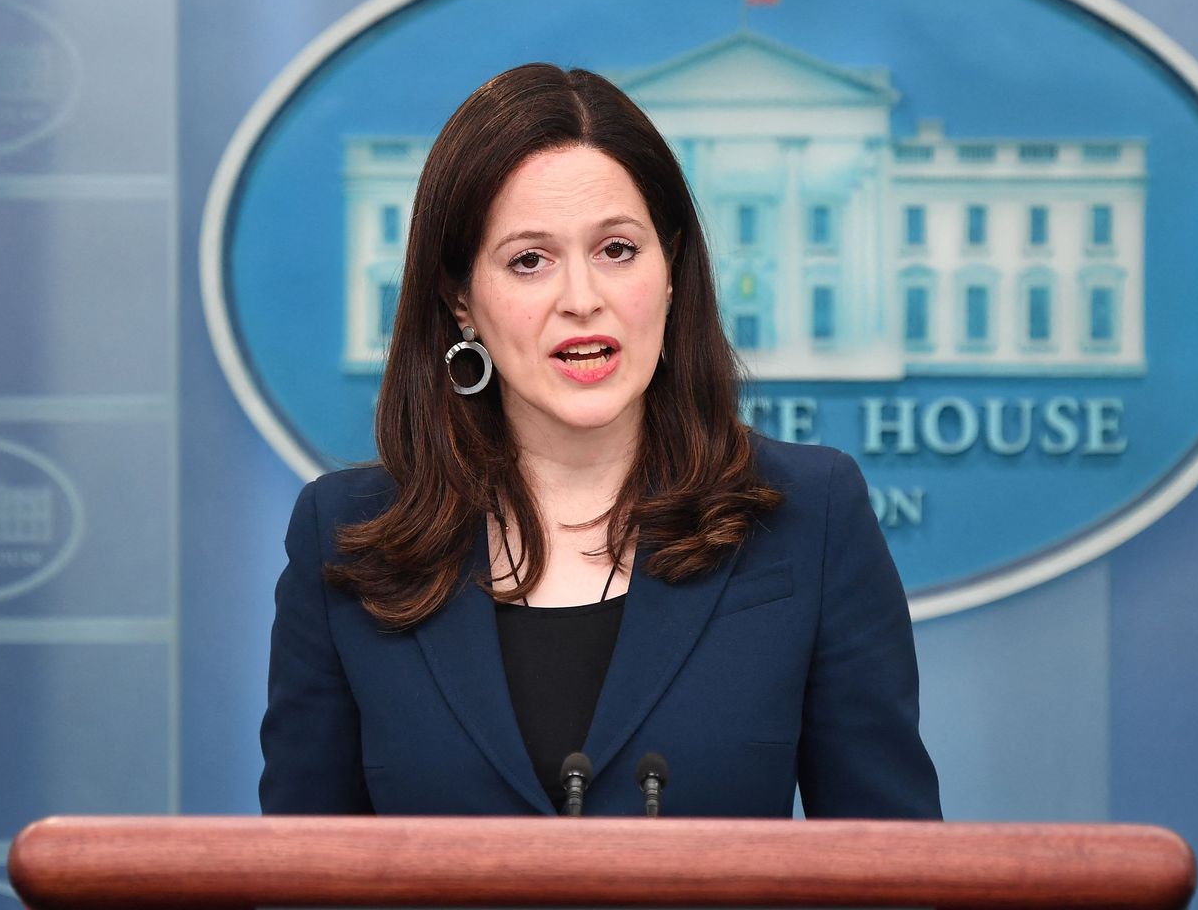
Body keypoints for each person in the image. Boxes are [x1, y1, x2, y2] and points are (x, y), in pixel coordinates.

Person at [259, 63, 940, 818]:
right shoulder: (344, 538)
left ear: (672, 269)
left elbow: (892, 873)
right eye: (529, 260)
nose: (582, 300)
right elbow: (303, 884)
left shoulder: (810, 517)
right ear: (460, 301)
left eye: (616, 250)